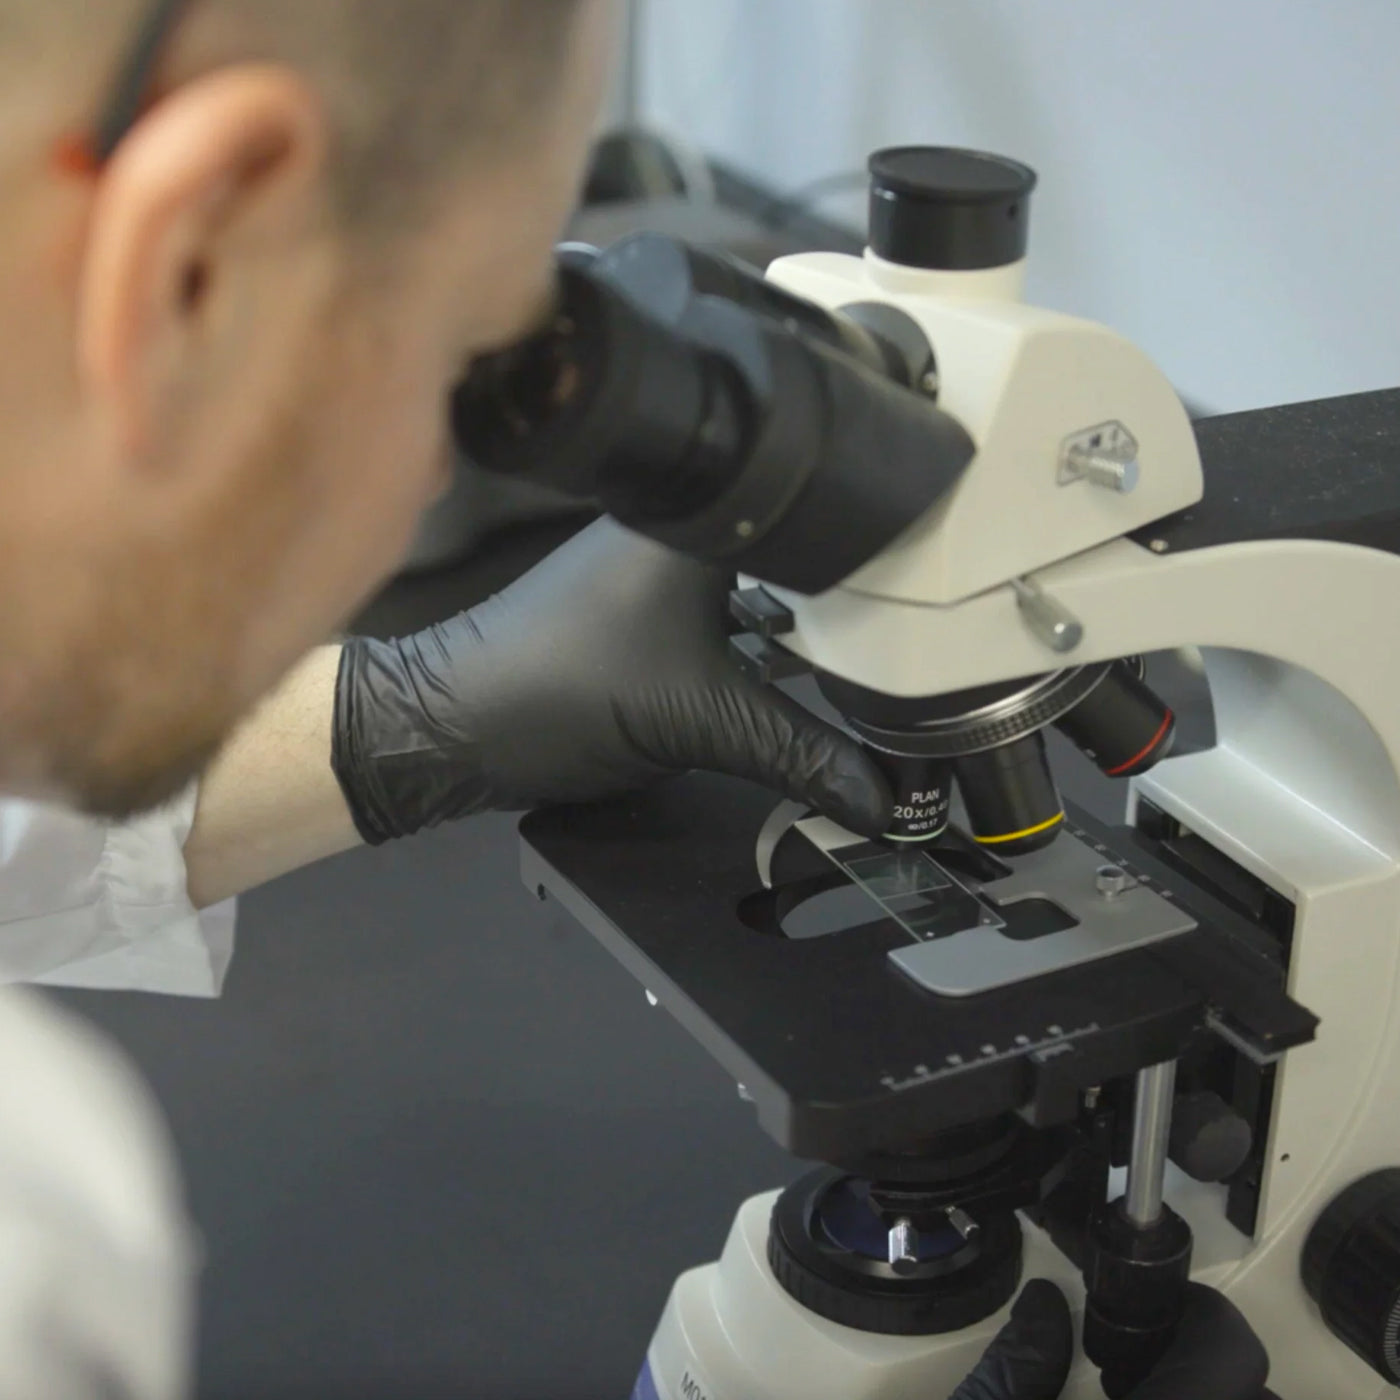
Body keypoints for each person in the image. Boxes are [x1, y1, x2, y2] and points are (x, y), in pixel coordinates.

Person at [0, 0, 1275, 1395]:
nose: (429, 483)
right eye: (465, 362)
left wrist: (403, 719)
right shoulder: (37, 1232)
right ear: (186, 252)